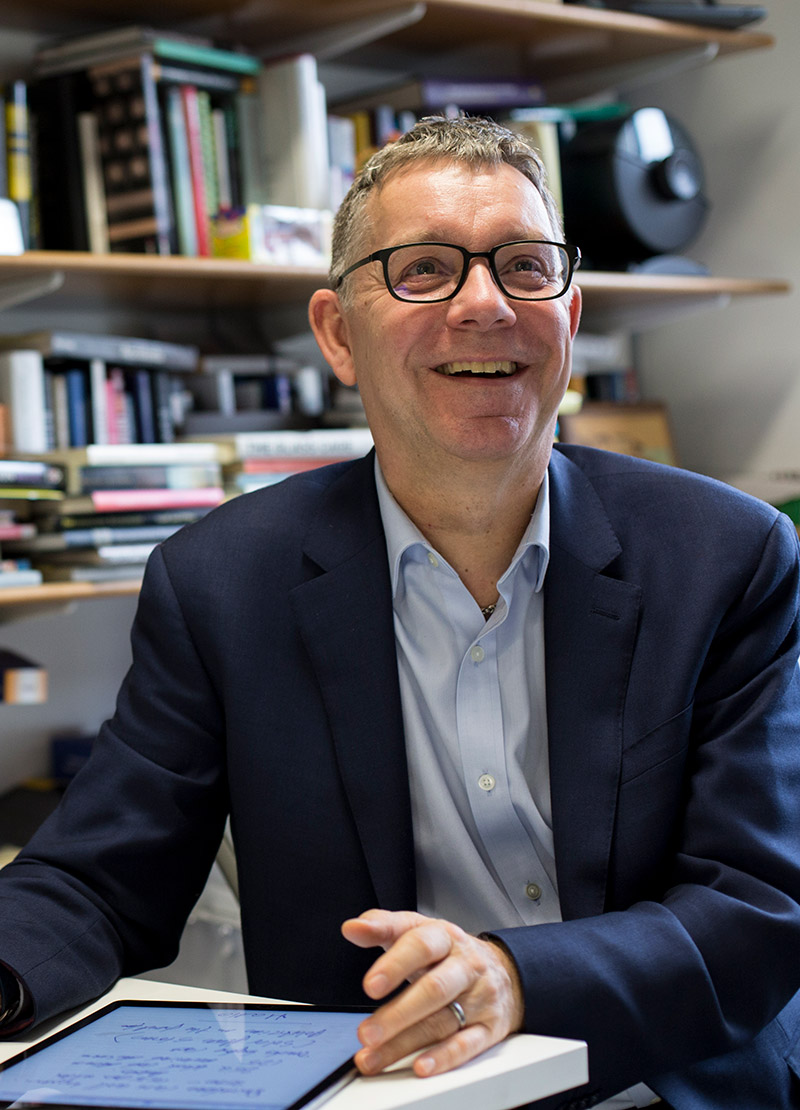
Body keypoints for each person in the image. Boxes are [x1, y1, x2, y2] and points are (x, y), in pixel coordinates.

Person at [0, 116, 799, 1110]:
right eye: (424, 269)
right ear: (338, 332)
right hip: (387, 1092)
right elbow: (97, 878)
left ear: (568, 312)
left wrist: (515, 979)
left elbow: (760, 902)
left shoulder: (726, 557)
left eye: (523, 266)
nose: (484, 304)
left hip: (664, 1090)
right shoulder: (220, 584)